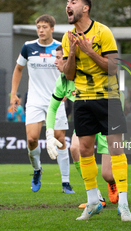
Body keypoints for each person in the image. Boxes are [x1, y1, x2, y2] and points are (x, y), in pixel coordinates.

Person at [62, 0, 131, 221]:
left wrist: (89, 51)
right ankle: (93, 201)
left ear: (85, 8)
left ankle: (123, 204)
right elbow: (69, 73)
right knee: (83, 150)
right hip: (82, 99)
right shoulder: (67, 37)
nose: (68, 6)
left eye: (73, 2)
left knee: (115, 148)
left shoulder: (103, 32)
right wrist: (73, 51)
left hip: (108, 98)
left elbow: (113, 68)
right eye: (67, 3)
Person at [46, 45, 119, 207]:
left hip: (106, 119)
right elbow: (51, 108)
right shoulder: (62, 82)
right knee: (74, 148)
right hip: (86, 122)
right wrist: (49, 134)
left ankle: (112, 183)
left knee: (107, 174)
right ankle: (96, 196)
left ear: (70, 59)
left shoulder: (85, 74)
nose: (55, 62)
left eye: (59, 58)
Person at [10, 14, 73, 193]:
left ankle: (65, 182)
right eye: (38, 27)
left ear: (52, 29)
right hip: (35, 100)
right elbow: (18, 69)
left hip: (56, 99)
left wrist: (67, 89)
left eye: (44, 27)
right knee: (31, 139)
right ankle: (37, 170)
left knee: (60, 139)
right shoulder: (28, 47)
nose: (41, 30)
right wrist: (13, 93)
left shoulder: (61, 47)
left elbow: (69, 70)